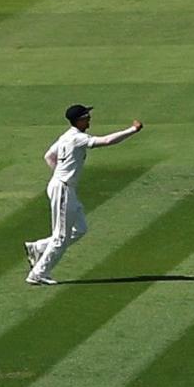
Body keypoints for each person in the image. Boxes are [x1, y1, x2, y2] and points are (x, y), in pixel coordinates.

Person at [23, 104, 141, 285]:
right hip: (63, 189)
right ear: (78, 120)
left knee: (79, 229)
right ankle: (38, 274)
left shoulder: (66, 136)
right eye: (86, 117)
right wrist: (133, 130)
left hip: (63, 187)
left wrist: (60, 176)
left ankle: (38, 247)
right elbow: (107, 141)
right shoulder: (77, 138)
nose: (89, 120)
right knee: (61, 237)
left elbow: (49, 156)